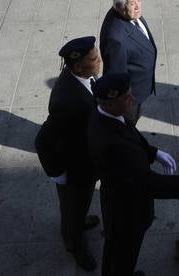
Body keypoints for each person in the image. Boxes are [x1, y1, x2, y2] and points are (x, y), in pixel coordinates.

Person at [85, 72, 179, 276]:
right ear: (110, 104)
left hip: (122, 202)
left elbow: (132, 135)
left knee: (116, 253)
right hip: (126, 213)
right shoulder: (110, 142)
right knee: (124, 255)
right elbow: (145, 183)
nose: (132, 99)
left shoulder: (108, 115)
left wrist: (153, 152)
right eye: (127, 98)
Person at [35, 37, 103, 271]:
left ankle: (80, 222)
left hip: (87, 162)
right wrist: (57, 174)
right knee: (72, 208)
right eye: (94, 59)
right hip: (75, 169)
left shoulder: (86, 77)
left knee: (80, 205)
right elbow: (43, 141)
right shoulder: (66, 100)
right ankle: (75, 244)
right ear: (77, 66)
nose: (100, 61)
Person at [99, 0, 158, 123]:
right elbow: (116, 76)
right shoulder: (115, 39)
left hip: (139, 90)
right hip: (130, 100)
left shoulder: (129, 15)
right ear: (119, 6)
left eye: (139, 1)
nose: (138, 6)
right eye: (132, 3)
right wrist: (123, 103)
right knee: (127, 128)